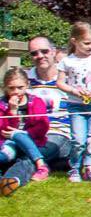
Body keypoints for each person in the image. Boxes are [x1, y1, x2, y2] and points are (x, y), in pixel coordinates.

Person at [56, 21, 91, 184]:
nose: (90, 47)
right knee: (78, 139)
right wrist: (74, 91)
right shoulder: (67, 62)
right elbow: (60, 82)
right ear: (75, 42)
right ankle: (75, 168)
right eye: (86, 43)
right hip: (76, 105)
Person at [18, 37, 73, 178]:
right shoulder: (24, 81)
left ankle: (13, 179)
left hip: (59, 133)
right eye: (34, 53)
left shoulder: (68, 79)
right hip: (28, 133)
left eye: (44, 51)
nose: (40, 56)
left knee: (33, 156)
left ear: (53, 52)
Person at [0, 68, 50, 196]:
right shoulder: (2, 105)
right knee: (6, 156)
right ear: (5, 88)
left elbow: (42, 126)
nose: (16, 92)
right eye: (11, 88)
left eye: (20, 87)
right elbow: (5, 130)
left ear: (27, 85)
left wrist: (22, 134)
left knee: (18, 135)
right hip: (9, 141)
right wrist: (12, 111)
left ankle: (41, 165)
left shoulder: (36, 101)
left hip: (33, 141)